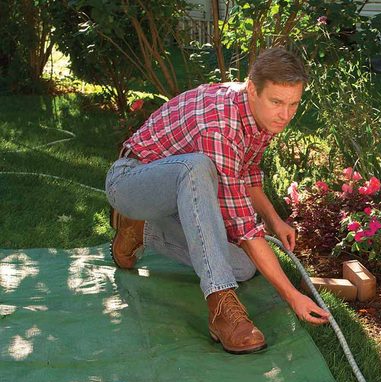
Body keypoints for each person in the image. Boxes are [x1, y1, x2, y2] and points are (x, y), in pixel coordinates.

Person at [105, 47, 329, 355]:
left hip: (174, 199)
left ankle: (140, 231)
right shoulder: (221, 126)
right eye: (277, 102)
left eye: (293, 104)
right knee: (196, 167)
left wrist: (275, 221)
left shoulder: (256, 115)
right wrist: (292, 296)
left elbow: (246, 173)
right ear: (253, 88)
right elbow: (244, 229)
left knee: (243, 266)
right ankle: (222, 306)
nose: (285, 114)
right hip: (131, 184)